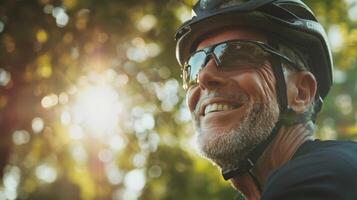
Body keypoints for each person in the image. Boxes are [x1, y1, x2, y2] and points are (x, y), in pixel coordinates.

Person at [174, 0, 357, 199]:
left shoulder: (322, 177)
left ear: (301, 92)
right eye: (196, 64)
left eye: (238, 54)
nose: (203, 77)